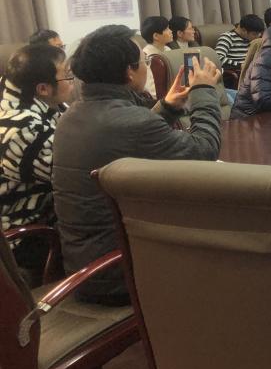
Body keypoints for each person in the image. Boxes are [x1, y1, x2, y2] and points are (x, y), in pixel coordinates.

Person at [52, 25, 223, 304]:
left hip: (84, 266)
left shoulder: (72, 115)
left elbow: (127, 135)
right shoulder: (130, 123)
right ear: (129, 72)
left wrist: (167, 107)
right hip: (121, 271)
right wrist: (204, 91)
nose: (147, 67)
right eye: (143, 61)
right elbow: (205, 151)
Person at [0, 44, 73, 285]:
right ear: (43, 88)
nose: (71, 81)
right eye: (67, 75)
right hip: (25, 238)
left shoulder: (43, 107)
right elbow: (75, 176)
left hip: (49, 220)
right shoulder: (23, 129)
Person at [140, 15, 174, 97]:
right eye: (166, 29)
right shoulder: (146, 56)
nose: (171, 31)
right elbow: (151, 91)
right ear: (156, 36)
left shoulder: (168, 50)